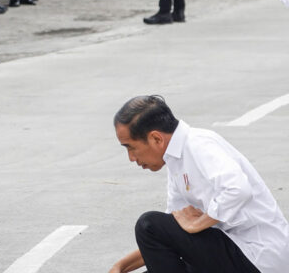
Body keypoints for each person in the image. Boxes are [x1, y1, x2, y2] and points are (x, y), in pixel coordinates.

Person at [110, 95, 289, 273]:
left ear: (156, 138)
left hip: (259, 257)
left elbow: (238, 190)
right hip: (234, 252)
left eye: (130, 147)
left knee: (147, 224)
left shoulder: (199, 144)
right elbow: (170, 234)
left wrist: (197, 224)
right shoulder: (175, 159)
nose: (131, 158)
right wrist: (121, 266)